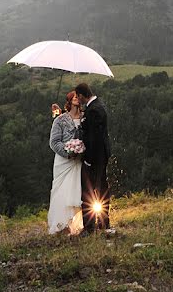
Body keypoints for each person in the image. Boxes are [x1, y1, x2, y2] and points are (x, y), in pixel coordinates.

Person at [75, 82, 111, 232]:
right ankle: (103, 222)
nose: (78, 99)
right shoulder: (97, 105)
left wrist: (88, 159)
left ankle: (89, 227)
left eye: (78, 96)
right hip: (102, 155)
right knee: (102, 188)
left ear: (82, 95)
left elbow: (93, 138)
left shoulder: (93, 111)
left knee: (88, 191)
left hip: (95, 157)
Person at [47, 90, 84, 235]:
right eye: (73, 96)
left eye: (78, 96)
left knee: (77, 191)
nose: (76, 97)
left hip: (80, 161)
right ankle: (60, 225)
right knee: (61, 191)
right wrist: (68, 152)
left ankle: (77, 224)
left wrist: (80, 151)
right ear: (69, 100)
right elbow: (54, 142)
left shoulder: (85, 118)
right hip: (64, 162)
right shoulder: (60, 120)